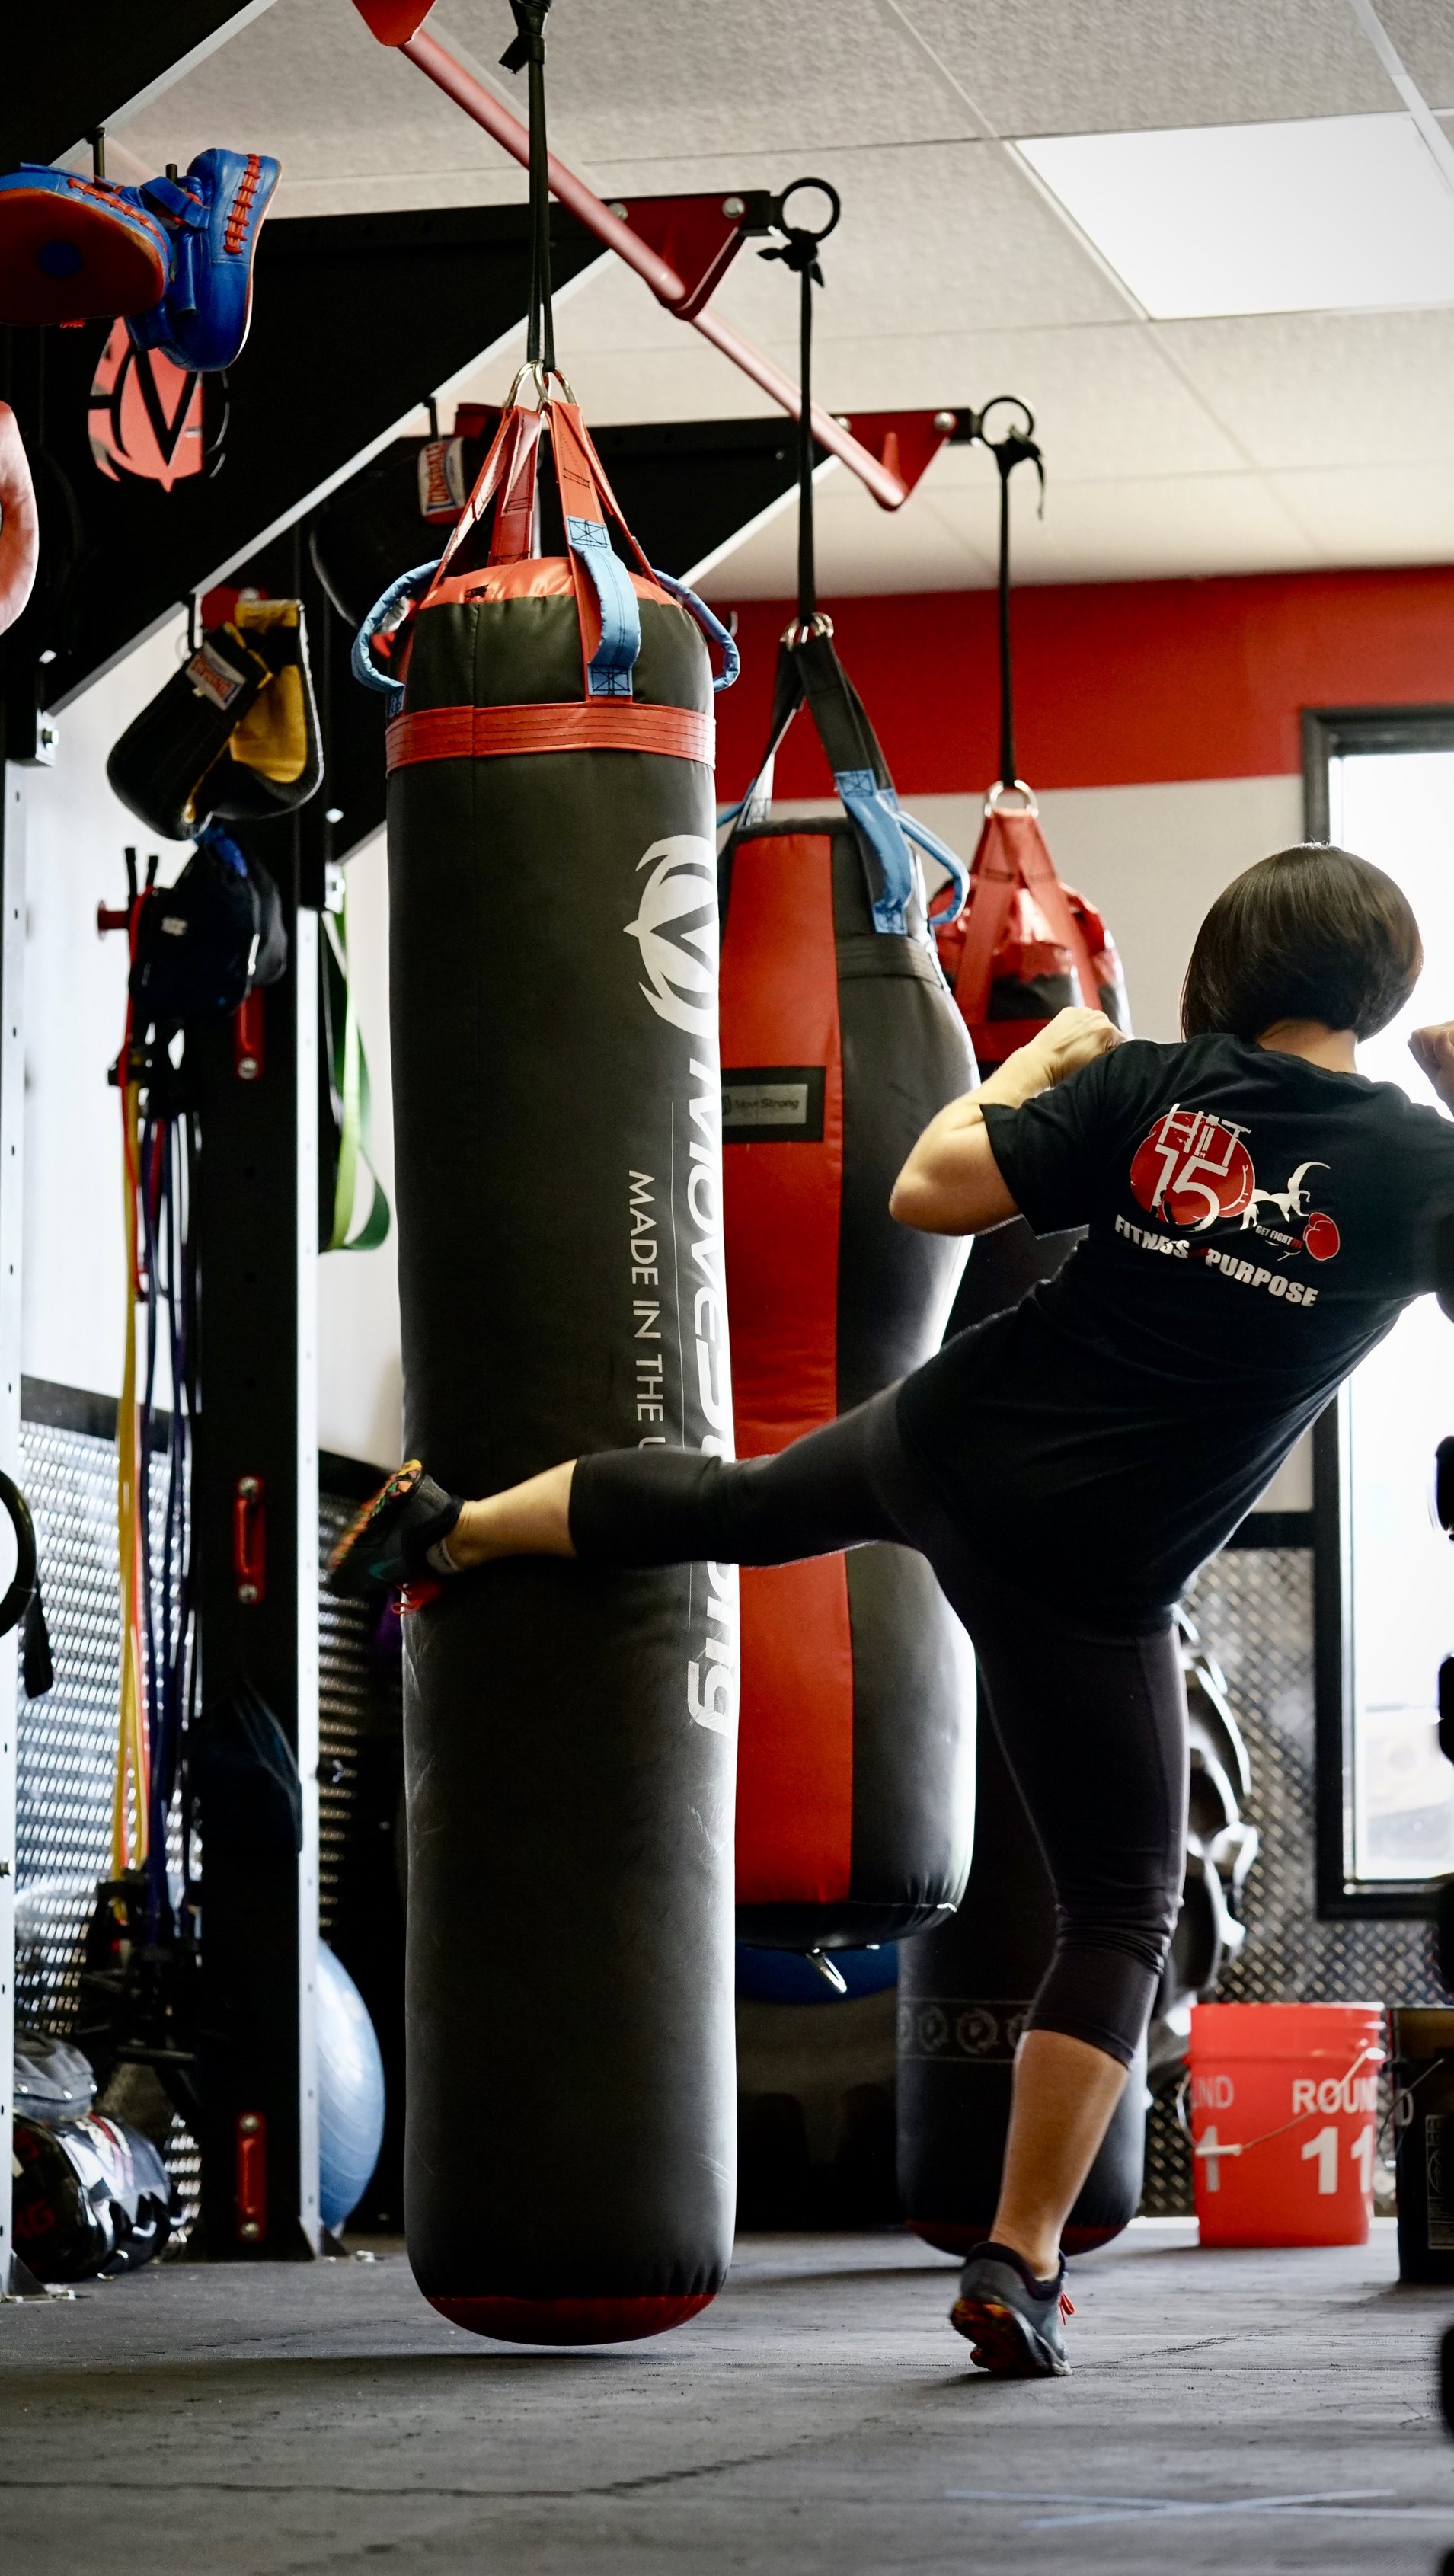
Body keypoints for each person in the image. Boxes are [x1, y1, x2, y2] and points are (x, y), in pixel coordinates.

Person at [332, 843, 1454, 2376]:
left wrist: (1044, 1054)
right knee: (1118, 1909)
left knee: (731, 1505)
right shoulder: (1408, 1166)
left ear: (1236, 966)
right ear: (1381, 987)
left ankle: (450, 1530)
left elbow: (929, 1189)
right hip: (1091, 1574)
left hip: (948, 1446)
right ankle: (1019, 2256)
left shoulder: (1150, 1088)